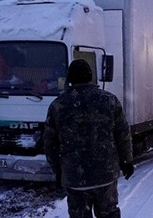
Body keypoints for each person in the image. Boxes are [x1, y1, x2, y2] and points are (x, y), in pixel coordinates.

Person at [44, 59, 134, 218]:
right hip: (105, 174)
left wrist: (58, 171)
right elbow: (122, 134)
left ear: (70, 79)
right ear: (90, 77)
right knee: (109, 214)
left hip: (75, 177)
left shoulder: (58, 106)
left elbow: (50, 144)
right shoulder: (109, 100)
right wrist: (127, 161)